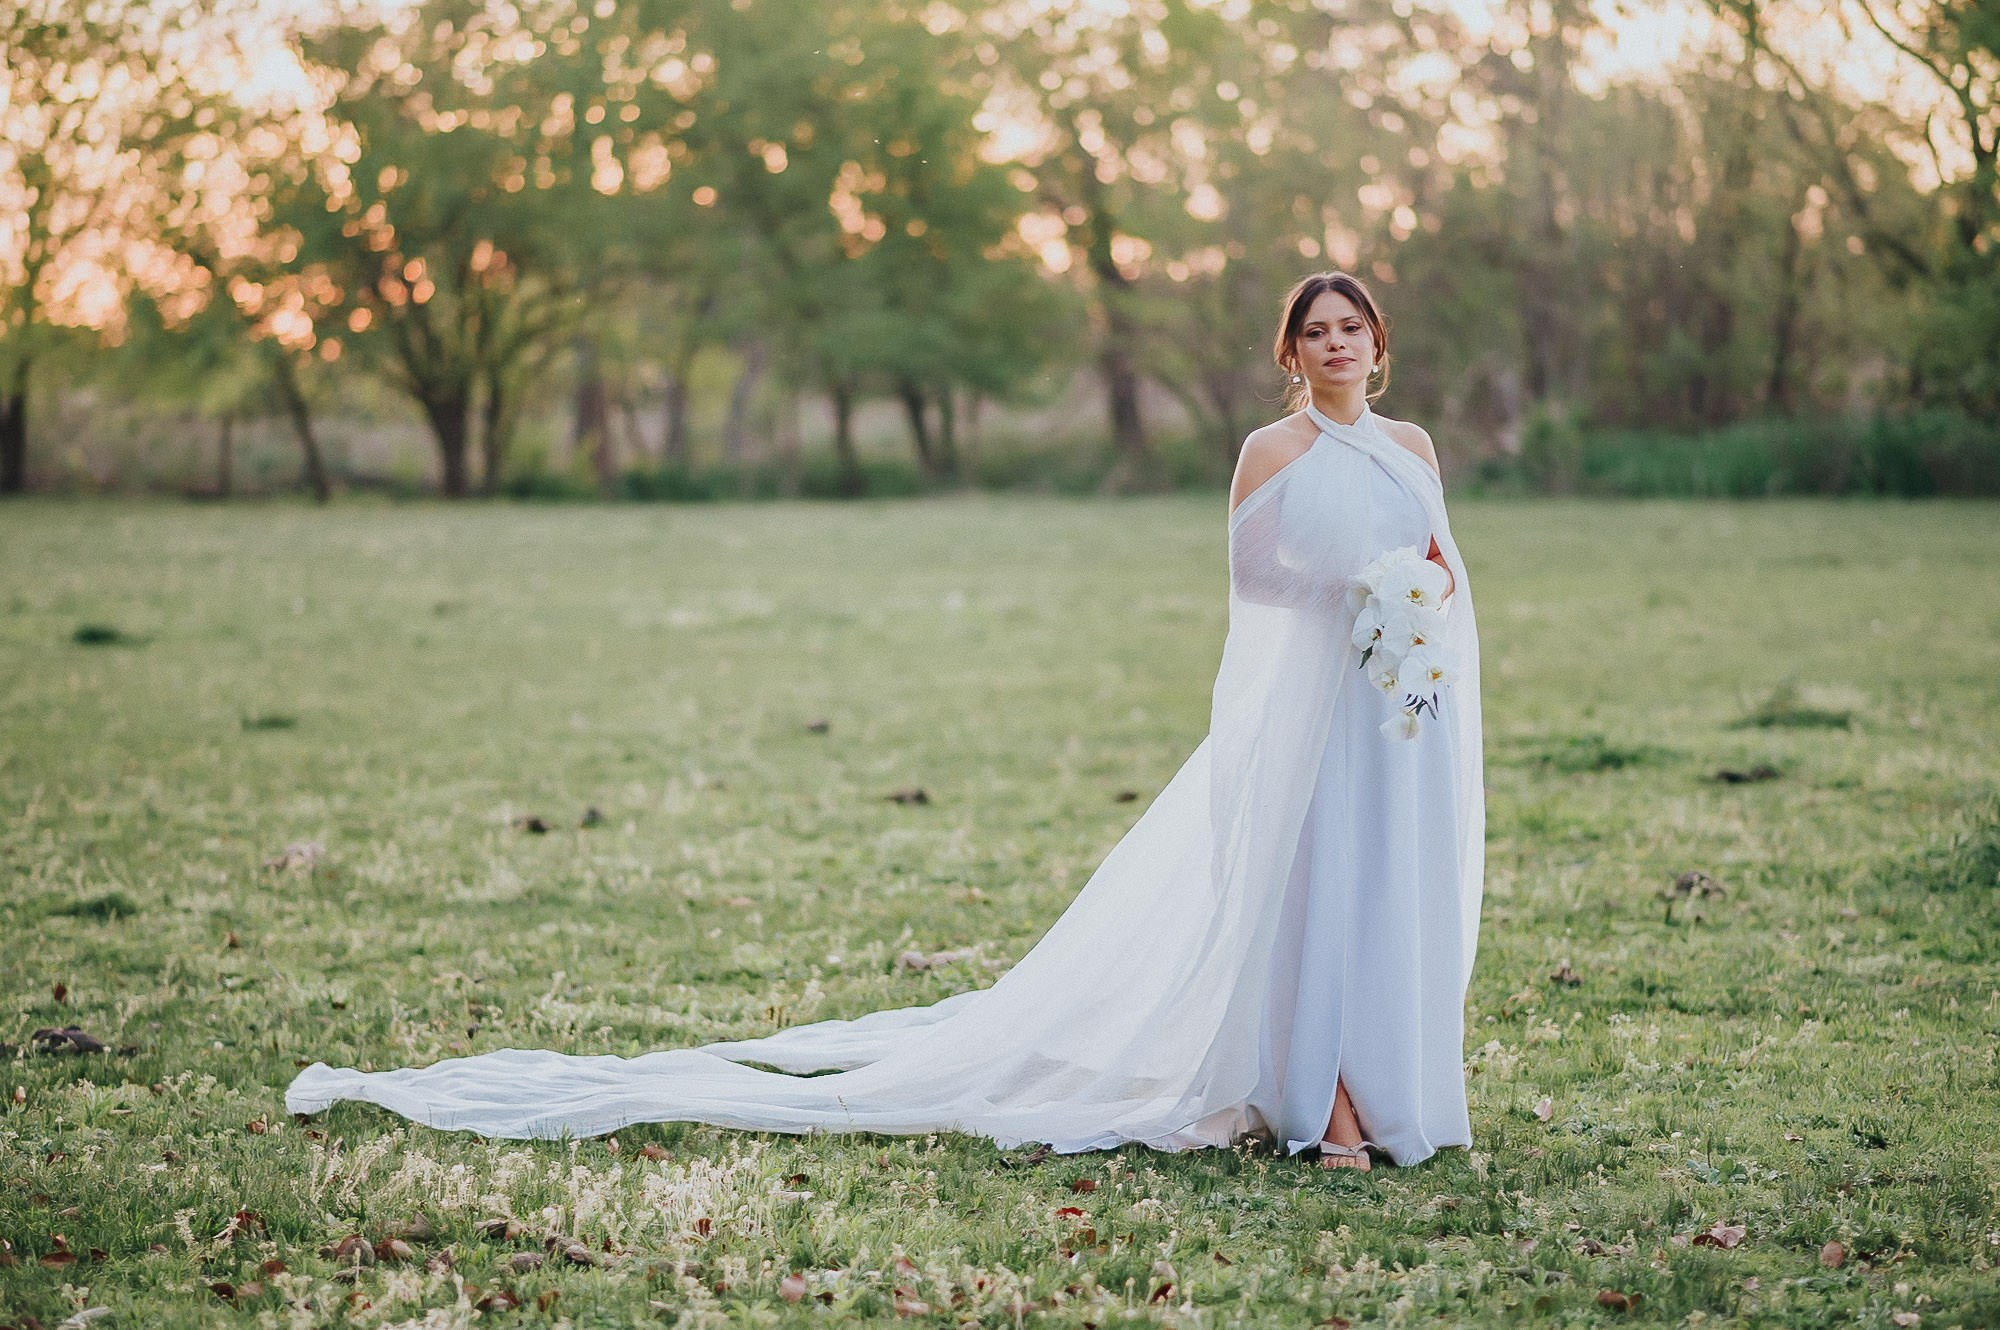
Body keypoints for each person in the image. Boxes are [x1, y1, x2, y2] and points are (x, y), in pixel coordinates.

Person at [287, 271, 1485, 1174]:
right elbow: (1253, 584)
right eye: (1313, 330)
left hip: (1396, 706)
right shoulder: (1269, 449)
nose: (1334, 344)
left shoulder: (1414, 445)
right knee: (1308, 884)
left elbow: (1439, 564)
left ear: (1377, 341)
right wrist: (1351, 596)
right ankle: (1321, 1104)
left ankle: (1385, 1079)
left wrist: (1411, 608)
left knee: (1383, 884)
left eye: (1350, 328)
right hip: (1309, 702)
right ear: (1291, 350)